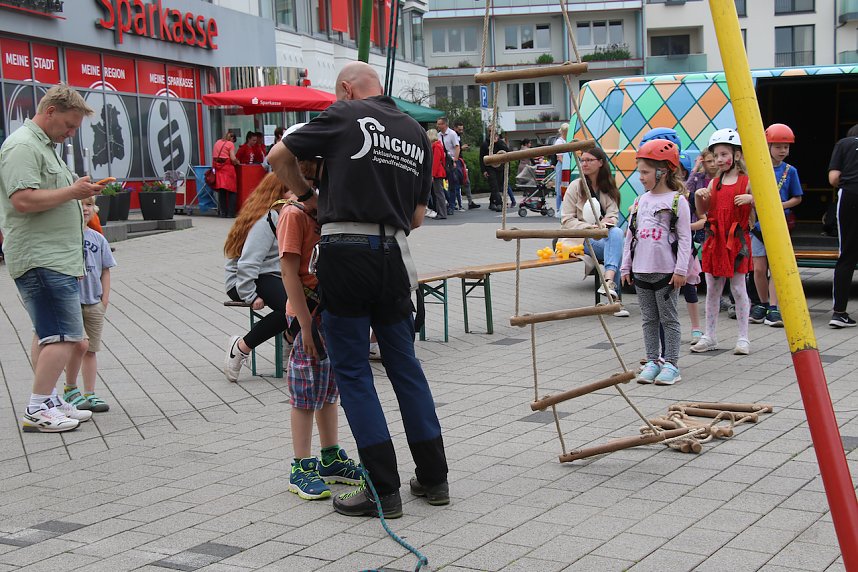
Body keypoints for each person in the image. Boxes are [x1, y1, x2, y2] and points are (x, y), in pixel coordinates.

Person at [268, 61, 449, 519]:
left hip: (345, 254)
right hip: (394, 255)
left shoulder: (345, 114)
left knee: (353, 372)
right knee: (405, 366)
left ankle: (383, 491)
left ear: (347, 90)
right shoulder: (418, 134)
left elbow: (277, 156)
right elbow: (418, 218)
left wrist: (309, 198)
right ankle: (434, 479)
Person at [0, 84, 104, 433]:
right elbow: (23, 200)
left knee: (50, 335)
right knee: (64, 337)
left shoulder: (41, 145)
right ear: (50, 112)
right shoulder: (23, 147)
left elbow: (41, 195)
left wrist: (77, 192)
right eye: (69, 125)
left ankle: (46, 400)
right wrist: (74, 191)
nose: (71, 133)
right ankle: (36, 407)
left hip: (53, 257)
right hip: (42, 258)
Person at [275, 138, 361, 500]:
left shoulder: (325, 211)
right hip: (306, 315)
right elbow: (288, 273)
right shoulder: (294, 215)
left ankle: (329, 455)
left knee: (328, 390)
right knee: (305, 393)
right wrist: (306, 326)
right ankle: (301, 465)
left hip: (327, 313)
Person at [621, 140, 692, 385]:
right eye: (639, 172)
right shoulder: (640, 201)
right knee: (649, 319)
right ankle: (653, 360)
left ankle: (672, 363)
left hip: (666, 272)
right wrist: (625, 266)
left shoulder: (677, 200)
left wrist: (681, 269)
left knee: (669, 319)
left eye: (645, 172)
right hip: (641, 271)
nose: (640, 177)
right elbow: (631, 235)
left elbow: (685, 238)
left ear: (663, 171)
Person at [223, 173, 293, 382]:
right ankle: (240, 348)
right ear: (279, 194)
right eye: (293, 190)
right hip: (245, 280)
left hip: (270, 275)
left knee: (306, 301)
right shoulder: (267, 219)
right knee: (290, 308)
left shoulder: (288, 216)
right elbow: (248, 264)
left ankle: (289, 339)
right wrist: (250, 295)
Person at [692, 128, 754, 355]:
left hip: (736, 241)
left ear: (736, 155)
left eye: (723, 154)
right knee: (712, 290)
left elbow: (767, 204)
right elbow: (703, 213)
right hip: (715, 240)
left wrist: (752, 198)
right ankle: (710, 336)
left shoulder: (747, 182)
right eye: (716, 155)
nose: (719, 160)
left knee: (738, 289)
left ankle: (743, 338)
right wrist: (699, 199)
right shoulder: (712, 184)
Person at [64, 197, 116, 412]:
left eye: (88, 205)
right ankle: (70, 388)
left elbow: (105, 269)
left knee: (91, 350)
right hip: (72, 302)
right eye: (79, 204)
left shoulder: (98, 238)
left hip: (94, 301)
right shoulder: (65, 237)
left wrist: (104, 299)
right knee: (78, 345)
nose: (84, 209)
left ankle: (90, 393)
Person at [749, 123, 803, 328]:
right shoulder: (757, 168)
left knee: (776, 268)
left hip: (779, 225)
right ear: (768, 145)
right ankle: (761, 304)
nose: (783, 151)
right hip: (758, 227)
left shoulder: (791, 171)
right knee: (759, 268)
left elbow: (797, 198)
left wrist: (781, 205)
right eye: (778, 146)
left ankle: (774, 307)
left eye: (786, 147)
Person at [558, 146, 625, 302]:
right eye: (582, 160)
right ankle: (615, 299)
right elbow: (566, 219)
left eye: (589, 160)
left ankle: (608, 282)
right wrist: (589, 227)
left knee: (616, 235)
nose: (584, 164)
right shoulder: (576, 186)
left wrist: (606, 222)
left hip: (604, 236)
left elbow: (613, 215)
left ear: (600, 163)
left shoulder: (608, 187)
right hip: (583, 239)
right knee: (617, 244)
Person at [827, 124, 858, 328]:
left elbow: (834, 178)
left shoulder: (844, 144)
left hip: (850, 196)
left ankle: (839, 313)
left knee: (846, 255)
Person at [480, 127, 509, 211]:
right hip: (490, 168)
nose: (491, 133)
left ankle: (492, 202)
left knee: (498, 186)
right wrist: (484, 170)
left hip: (500, 167)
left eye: (493, 131)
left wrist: (498, 142)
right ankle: (499, 203)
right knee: (494, 186)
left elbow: (507, 151)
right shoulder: (485, 144)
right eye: (489, 131)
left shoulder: (500, 142)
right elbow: (481, 158)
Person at [436, 117, 460, 215]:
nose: (438, 126)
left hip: (451, 160)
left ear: (445, 124)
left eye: (440, 124)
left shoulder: (452, 134)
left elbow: (457, 147)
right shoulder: (438, 135)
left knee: (452, 184)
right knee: (440, 184)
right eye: (438, 124)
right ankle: (448, 201)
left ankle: (452, 205)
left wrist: (455, 160)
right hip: (443, 161)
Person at [213, 131, 239, 218]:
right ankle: (231, 213)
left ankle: (223, 212)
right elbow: (232, 158)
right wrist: (237, 162)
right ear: (232, 138)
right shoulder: (230, 144)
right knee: (232, 191)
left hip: (218, 168)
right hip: (227, 168)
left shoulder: (217, 142)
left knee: (222, 191)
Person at [427, 128, 449, 219]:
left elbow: (435, 162)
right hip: (440, 172)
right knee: (439, 193)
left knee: (439, 193)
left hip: (437, 173)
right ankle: (442, 212)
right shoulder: (439, 145)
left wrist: (432, 174)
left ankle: (442, 213)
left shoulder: (435, 146)